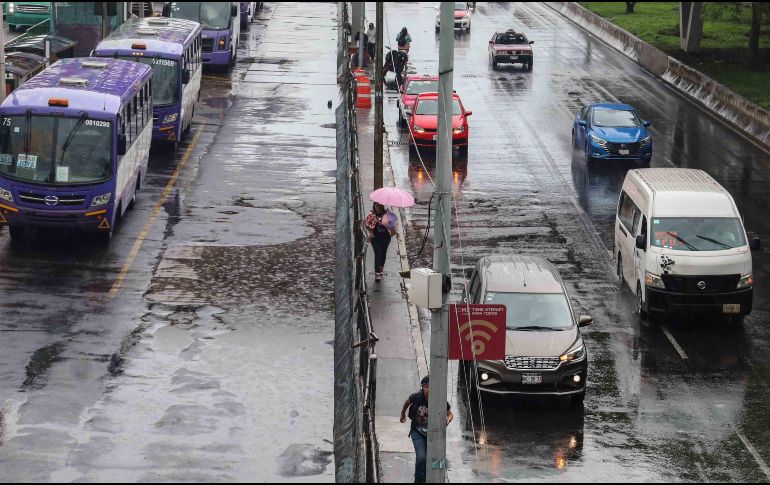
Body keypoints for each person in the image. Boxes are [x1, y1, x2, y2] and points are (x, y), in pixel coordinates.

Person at [400, 375, 453, 483]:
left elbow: (450, 414)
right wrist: (402, 414)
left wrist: (446, 422)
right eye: (427, 386)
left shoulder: (440, 400)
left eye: (431, 387)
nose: (429, 389)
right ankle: (418, 479)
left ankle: (425, 477)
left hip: (433, 434)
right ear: (422, 387)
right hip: (417, 432)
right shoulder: (416, 397)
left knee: (431, 459)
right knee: (421, 457)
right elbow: (407, 402)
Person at [365, 202, 396, 282]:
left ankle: (381, 268)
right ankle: (377, 273)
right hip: (375, 238)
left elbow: (393, 225)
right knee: (378, 253)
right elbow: (366, 224)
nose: (377, 208)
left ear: (382, 207)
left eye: (379, 206)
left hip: (386, 238)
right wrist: (371, 232)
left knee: (383, 253)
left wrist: (385, 223)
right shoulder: (372, 215)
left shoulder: (387, 215)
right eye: (376, 206)